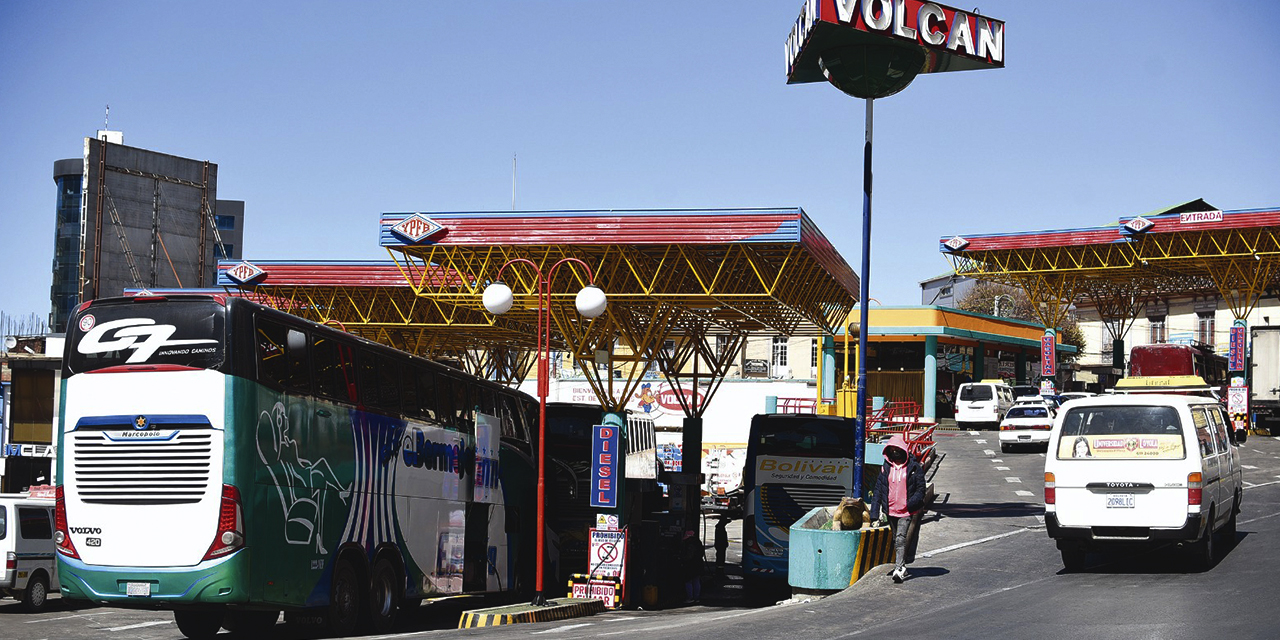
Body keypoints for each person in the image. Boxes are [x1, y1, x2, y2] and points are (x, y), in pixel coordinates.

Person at [869, 433, 927, 583]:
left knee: (901, 538)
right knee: (896, 538)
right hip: (891, 510)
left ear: (903, 449)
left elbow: (921, 489)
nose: (894, 452)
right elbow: (878, 490)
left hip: (906, 511)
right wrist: (874, 513)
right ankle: (903, 566)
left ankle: (899, 568)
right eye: (892, 449)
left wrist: (909, 504)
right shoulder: (886, 468)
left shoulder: (914, 467)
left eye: (897, 448)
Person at [681, 530, 706, 603]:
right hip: (698, 565)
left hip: (691, 565)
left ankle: (690, 597)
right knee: (696, 581)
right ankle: (696, 597)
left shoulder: (690, 545)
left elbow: (689, 556)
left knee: (688, 581)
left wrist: (682, 559)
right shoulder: (698, 543)